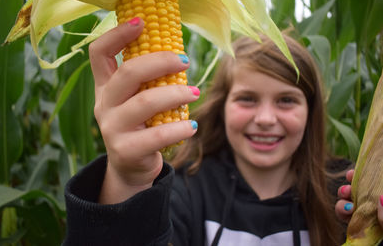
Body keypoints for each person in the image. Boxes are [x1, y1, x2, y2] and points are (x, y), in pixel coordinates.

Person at [62, 17, 383, 246]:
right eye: (247, 99)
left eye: (286, 100)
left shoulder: (344, 197)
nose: (266, 118)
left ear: (311, 112)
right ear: (222, 105)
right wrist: (127, 182)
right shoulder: (182, 190)